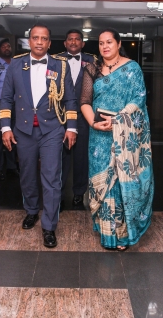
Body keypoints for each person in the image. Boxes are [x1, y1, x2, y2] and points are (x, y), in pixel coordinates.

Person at [0, 24, 77, 248]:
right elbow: (6, 98)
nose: (40, 42)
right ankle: (32, 210)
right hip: (23, 131)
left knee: (52, 178)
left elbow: (70, 99)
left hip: (52, 129)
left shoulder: (60, 66)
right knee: (27, 175)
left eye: (44, 38)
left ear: (50, 43)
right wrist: (5, 128)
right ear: (29, 41)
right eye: (35, 38)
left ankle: (49, 226)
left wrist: (71, 128)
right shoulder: (16, 65)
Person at [80, 28, 154, 251]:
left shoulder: (132, 68)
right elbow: (84, 101)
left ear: (119, 43)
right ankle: (107, 233)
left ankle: (122, 235)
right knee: (104, 181)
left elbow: (139, 99)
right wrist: (93, 123)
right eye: (101, 43)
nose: (105, 46)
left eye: (109, 42)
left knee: (121, 180)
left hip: (124, 135)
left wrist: (119, 120)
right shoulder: (92, 69)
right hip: (99, 135)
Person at [56, 29, 95, 210]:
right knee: (60, 157)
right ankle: (59, 194)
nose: (73, 42)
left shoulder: (92, 60)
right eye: (70, 39)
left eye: (77, 39)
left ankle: (79, 194)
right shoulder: (55, 60)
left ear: (82, 43)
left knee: (81, 157)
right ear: (65, 43)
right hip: (60, 116)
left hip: (83, 116)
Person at [0, 39, 18, 181]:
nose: (7, 48)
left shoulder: (17, 64)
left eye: (8, 46)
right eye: (3, 47)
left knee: (14, 135)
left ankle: (11, 167)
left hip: (15, 104)